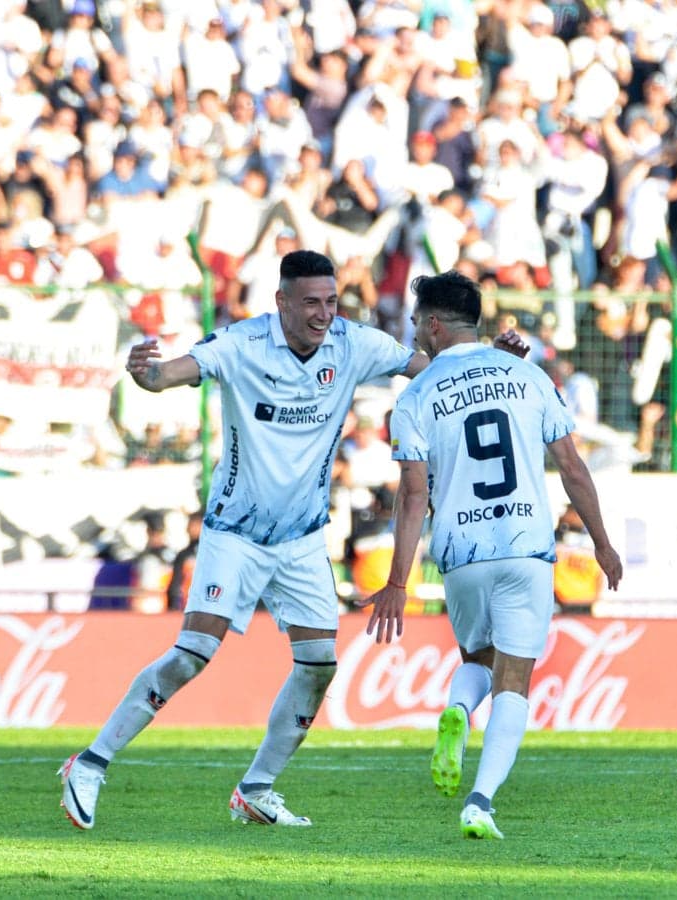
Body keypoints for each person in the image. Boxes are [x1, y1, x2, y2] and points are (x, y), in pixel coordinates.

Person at [57, 250, 429, 831]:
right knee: (191, 657)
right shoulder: (242, 345)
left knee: (319, 665)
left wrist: (485, 363)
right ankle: (90, 762)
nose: (323, 314)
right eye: (310, 302)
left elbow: (424, 364)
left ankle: (256, 789)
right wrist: (146, 373)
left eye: (330, 301)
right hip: (236, 533)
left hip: (303, 539)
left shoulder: (354, 343)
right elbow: (167, 374)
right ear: (280, 301)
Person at [359, 270, 623, 840]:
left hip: (462, 551)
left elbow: (412, 494)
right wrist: (601, 542)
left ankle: (457, 709)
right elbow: (573, 469)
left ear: (433, 325)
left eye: (415, 323)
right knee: (516, 679)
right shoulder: (528, 373)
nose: (412, 332)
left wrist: (399, 581)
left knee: (476, 661)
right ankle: (480, 801)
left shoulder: (415, 396)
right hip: (527, 545)